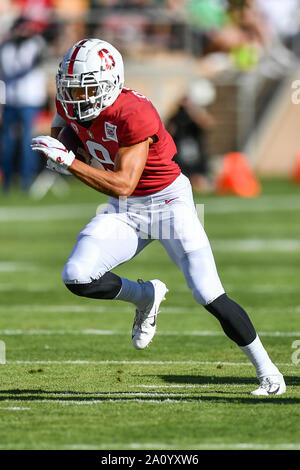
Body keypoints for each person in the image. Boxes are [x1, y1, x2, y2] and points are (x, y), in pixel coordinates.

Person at [31, 38, 285, 396]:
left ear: (109, 82)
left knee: (209, 294)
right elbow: (70, 136)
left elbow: (122, 182)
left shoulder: (134, 113)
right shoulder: (70, 104)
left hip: (167, 204)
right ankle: (143, 295)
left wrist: (68, 162)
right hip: (126, 211)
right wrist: (63, 151)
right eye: (70, 88)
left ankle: (268, 371)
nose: (76, 97)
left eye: (85, 87)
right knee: (77, 276)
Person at [0, 16, 47, 193]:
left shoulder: (35, 43)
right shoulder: (8, 46)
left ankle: (27, 180)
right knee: (7, 143)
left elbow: (24, 66)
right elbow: (9, 68)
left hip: (29, 100)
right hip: (11, 100)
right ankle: (7, 181)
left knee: (28, 141)